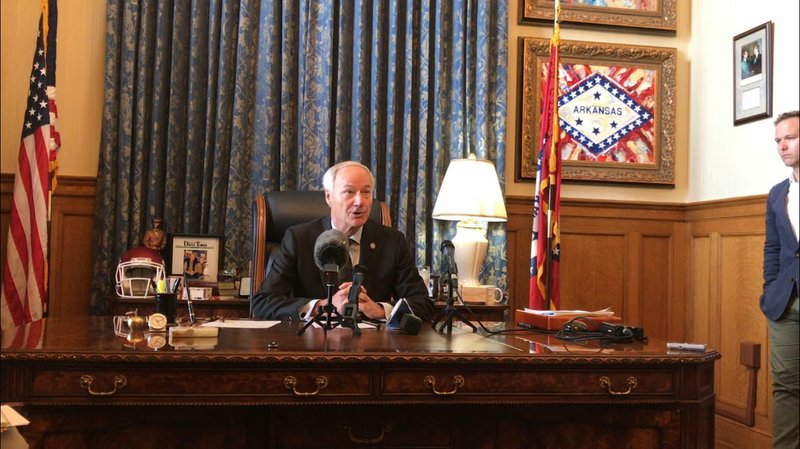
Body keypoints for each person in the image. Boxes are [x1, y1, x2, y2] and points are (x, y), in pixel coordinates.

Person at [252, 161, 434, 322]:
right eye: (349, 192)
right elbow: (263, 302)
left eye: (366, 192)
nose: (359, 201)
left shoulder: (392, 241)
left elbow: (423, 304)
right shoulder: (300, 239)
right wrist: (322, 307)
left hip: (372, 348)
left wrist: (379, 310)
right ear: (329, 197)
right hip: (311, 348)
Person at [760, 110, 799, 449]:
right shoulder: (777, 193)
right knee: (786, 385)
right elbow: (773, 247)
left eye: (791, 138)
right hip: (785, 303)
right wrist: (769, 288)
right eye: (778, 140)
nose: (783, 146)